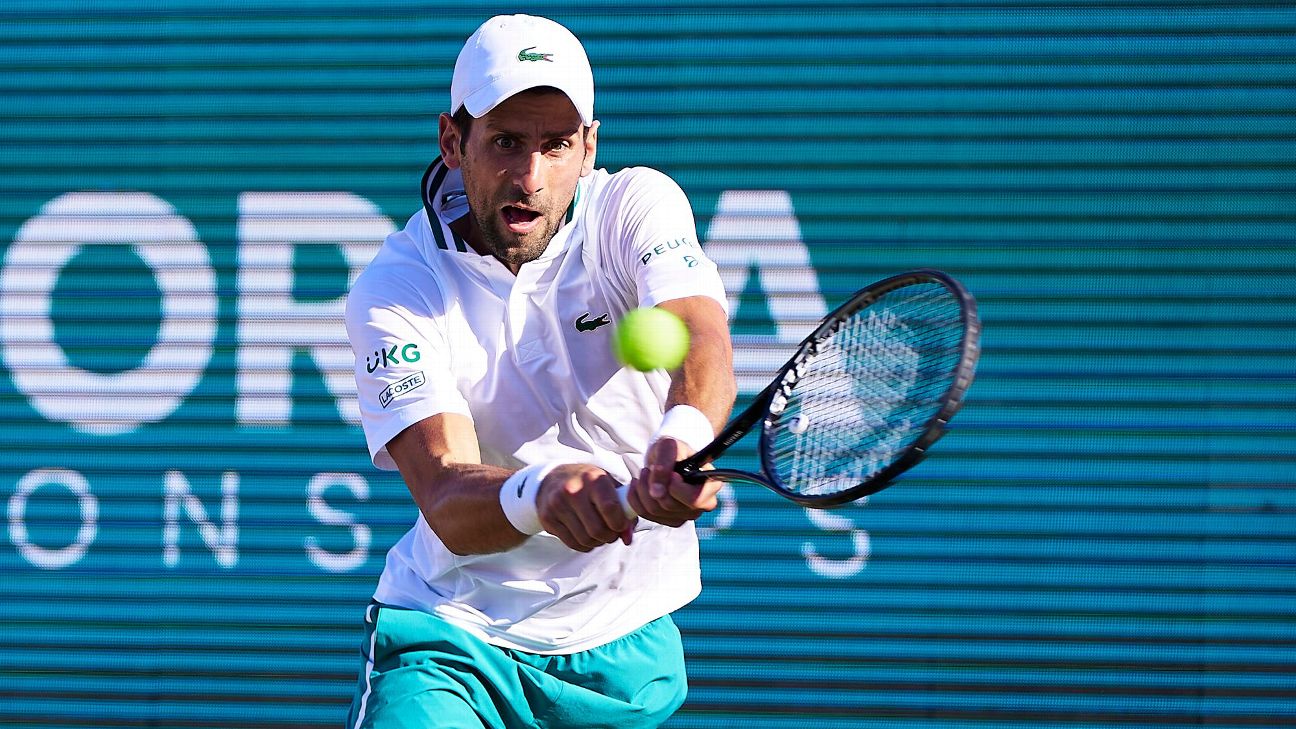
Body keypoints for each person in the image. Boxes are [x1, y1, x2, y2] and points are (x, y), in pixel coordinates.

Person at [342, 14, 737, 729]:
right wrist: (541, 490)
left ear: (588, 147)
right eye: (505, 143)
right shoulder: (397, 286)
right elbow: (446, 494)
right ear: (452, 141)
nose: (530, 177)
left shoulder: (633, 207)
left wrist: (682, 438)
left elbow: (699, 335)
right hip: (452, 636)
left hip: (625, 645)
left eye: (556, 145)